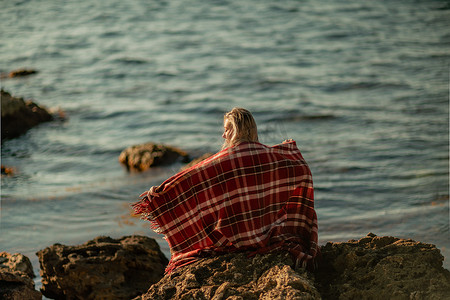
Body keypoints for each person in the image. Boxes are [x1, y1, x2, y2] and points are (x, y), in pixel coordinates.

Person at [133, 107, 318, 273]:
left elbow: (191, 178)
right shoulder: (270, 155)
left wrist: (161, 193)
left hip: (236, 241)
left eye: (226, 129)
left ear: (237, 129)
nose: (223, 135)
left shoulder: (225, 161)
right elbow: (299, 168)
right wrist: (287, 151)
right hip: (269, 235)